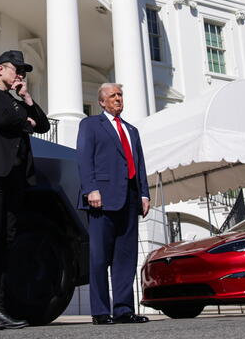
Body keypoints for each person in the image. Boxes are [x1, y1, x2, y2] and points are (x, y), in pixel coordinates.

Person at [0, 50, 50, 330]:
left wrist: (27, 99)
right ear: (1, 69)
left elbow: (43, 124)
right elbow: (4, 120)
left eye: (23, 71)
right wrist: (23, 119)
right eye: (16, 69)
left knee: (8, 241)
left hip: (16, 178)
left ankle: (0, 308)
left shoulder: (15, 101)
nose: (20, 75)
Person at [76, 82, 150, 325]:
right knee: (99, 257)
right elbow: (85, 158)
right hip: (101, 198)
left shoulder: (132, 130)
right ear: (101, 101)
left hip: (129, 199)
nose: (118, 99)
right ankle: (100, 311)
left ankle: (123, 309)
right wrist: (90, 189)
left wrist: (144, 194)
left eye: (120, 94)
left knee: (125, 258)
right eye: (113, 95)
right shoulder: (90, 124)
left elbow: (139, 165)